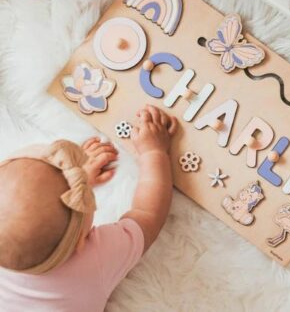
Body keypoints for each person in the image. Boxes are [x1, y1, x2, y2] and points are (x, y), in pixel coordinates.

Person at [0, 105, 178, 311]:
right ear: (81, 241)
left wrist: (78, 176)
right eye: (81, 194)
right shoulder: (94, 261)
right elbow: (149, 214)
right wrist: (153, 152)